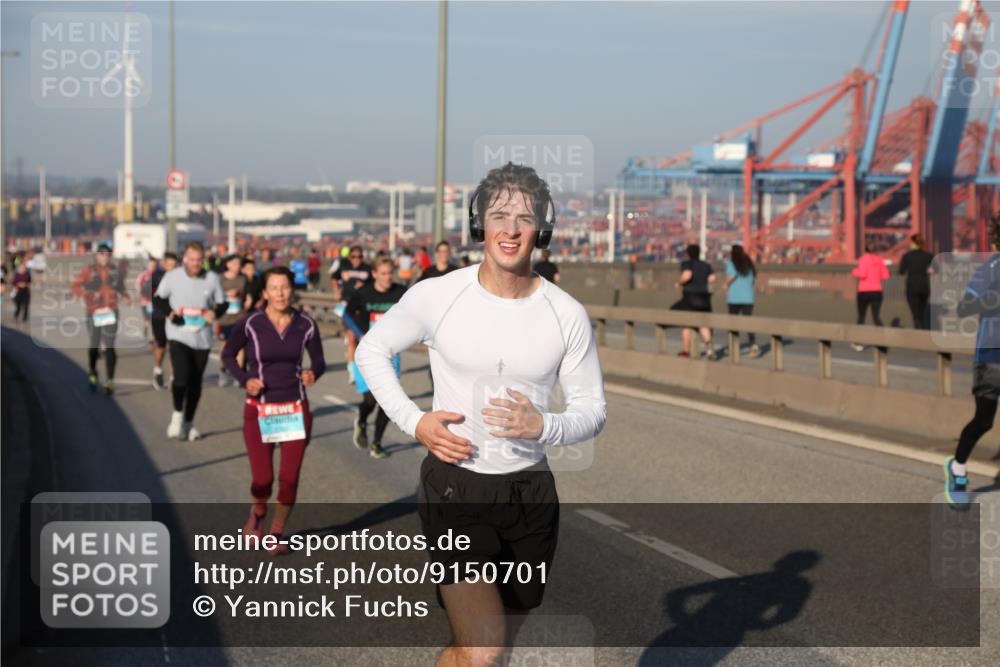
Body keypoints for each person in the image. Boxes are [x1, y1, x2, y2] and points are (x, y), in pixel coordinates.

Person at [356, 162, 606, 663]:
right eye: (498, 215)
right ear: (479, 224)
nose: (510, 229)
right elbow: (371, 351)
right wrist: (415, 421)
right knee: (486, 648)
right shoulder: (439, 295)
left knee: (491, 648)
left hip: (531, 492)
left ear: (543, 227)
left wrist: (546, 425)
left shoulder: (566, 313)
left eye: (524, 217)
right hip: (456, 486)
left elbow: (593, 409)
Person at [222, 266, 326, 553]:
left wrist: (312, 373)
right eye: (274, 288)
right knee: (263, 479)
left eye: (285, 287)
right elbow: (228, 355)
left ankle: (277, 533)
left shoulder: (306, 324)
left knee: (290, 478)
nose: (280, 293)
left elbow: (319, 361)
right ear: (265, 292)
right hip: (260, 409)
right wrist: (245, 379)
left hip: (294, 408)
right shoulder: (251, 323)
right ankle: (258, 512)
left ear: (292, 290)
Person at [945, 218, 1000, 510]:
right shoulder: (990, 269)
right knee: (984, 420)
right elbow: (965, 307)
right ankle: (957, 469)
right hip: (992, 356)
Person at [154, 241, 227, 441]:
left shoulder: (212, 278)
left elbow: (223, 303)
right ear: (185, 258)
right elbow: (158, 298)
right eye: (191, 259)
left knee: (195, 383)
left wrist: (215, 312)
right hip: (178, 334)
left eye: (199, 260)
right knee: (182, 376)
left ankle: (189, 423)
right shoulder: (172, 276)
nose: (195, 263)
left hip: (202, 337)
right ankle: (177, 416)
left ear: (203, 260)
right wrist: (170, 313)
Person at [344, 257, 407, 459]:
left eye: (390, 273)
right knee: (370, 400)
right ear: (374, 274)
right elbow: (346, 314)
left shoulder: (400, 292)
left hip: (391, 354)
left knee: (388, 402)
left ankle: (376, 443)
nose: (388, 277)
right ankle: (361, 420)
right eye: (383, 273)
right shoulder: (363, 293)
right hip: (367, 354)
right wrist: (361, 333)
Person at [71, 243, 130, 394]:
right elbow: (75, 286)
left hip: (111, 310)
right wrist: (86, 294)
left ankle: (110, 380)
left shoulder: (114, 270)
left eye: (107, 254)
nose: (105, 257)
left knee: (110, 345)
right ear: (97, 255)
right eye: (102, 254)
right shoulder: (89, 270)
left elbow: (120, 286)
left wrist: (125, 296)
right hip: (94, 311)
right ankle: (92, 372)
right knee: (94, 345)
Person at [330, 245, 372, 385]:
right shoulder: (343, 266)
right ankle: (352, 372)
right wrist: (336, 290)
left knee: (360, 340)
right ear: (349, 257)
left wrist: (365, 287)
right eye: (353, 256)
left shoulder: (367, 269)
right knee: (352, 338)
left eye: (359, 256)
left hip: (361, 307)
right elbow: (333, 278)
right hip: (346, 306)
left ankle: (361, 365)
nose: (356, 259)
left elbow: (374, 285)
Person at [670, 244, 716, 360]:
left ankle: (686, 351)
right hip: (704, 299)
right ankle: (709, 349)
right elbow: (712, 279)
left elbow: (687, 275)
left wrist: (679, 283)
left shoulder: (687, 264)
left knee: (687, 324)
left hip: (690, 298)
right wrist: (709, 293)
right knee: (703, 324)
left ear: (688, 254)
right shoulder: (706, 265)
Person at [850, 241, 890, 351]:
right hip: (877, 291)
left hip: (864, 291)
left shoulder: (862, 259)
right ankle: (883, 341)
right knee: (876, 317)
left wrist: (854, 271)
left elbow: (862, 274)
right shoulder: (879, 260)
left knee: (861, 317)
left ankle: (858, 343)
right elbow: (886, 275)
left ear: (866, 249)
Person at [217, 254, 249, 387]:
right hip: (224, 317)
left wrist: (243, 296)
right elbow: (214, 295)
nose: (238, 266)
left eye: (239, 264)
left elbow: (247, 294)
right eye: (235, 264)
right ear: (228, 264)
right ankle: (223, 371)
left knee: (240, 345)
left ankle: (239, 375)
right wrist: (226, 294)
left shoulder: (242, 279)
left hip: (239, 316)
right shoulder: (219, 279)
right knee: (224, 346)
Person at [724, 244, 759, 358]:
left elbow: (732, 276)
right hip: (748, 298)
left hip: (734, 298)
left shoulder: (731, 263)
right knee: (748, 323)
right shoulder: (750, 265)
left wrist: (725, 284)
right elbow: (753, 282)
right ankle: (753, 345)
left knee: (733, 323)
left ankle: (733, 346)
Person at [150, 253, 178, 390]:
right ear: (164, 264)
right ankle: (158, 369)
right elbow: (155, 297)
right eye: (169, 265)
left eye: (174, 265)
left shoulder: (180, 277)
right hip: (159, 316)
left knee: (174, 347)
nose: (171, 268)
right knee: (161, 346)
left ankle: (174, 376)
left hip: (175, 317)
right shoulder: (156, 276)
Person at [899, 233, 934, 330]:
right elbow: (936, 269)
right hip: (924, 286)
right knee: (922, 310)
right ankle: (923, 328)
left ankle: (918, 328)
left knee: (915, 312)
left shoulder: (907, 256)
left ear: (913, 243)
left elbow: (901, 271)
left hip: (912, 286)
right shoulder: (929, 256)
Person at [135, 256, 159, 346]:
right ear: (148, 265)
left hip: (156, 302)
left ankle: (151, 336)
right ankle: (147, 334)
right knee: (147, 320)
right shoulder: (143, 275)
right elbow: (137, 285)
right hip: (146, 302)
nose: (152, 267)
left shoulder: (158, 275)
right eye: (151, 265)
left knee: (153, 319)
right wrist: (142, 292)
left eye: (154, 265)